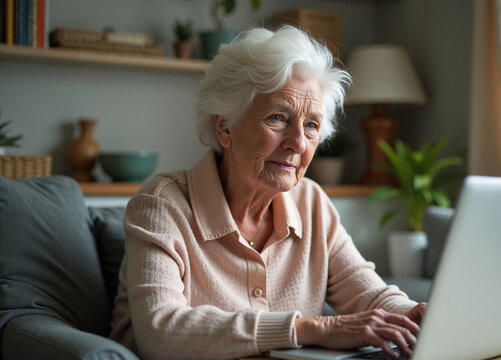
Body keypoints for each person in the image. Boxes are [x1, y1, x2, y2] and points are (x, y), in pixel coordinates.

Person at [109, 26, 427, 360]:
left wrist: (416, 314)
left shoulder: (312, 203)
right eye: (278, 117)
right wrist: (313, 328)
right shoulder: (161, 205)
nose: (298, 143)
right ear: (225, 126)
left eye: (311, 125)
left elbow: (371, 296)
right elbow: (160, 331)